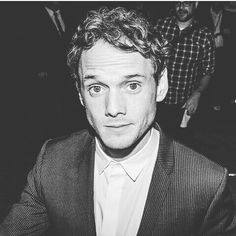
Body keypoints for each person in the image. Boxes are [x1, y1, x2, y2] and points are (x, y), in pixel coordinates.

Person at [1, 6, 236, 236]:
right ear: (80, 94)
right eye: (96, 87)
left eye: (132, 85)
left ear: (161, 85)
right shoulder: (52, 162)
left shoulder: (206, 185)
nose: (113, 109)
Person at [154, 1, 215, 139]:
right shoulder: (160, 26)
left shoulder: (204, 35)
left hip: (181, 102)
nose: (181, 7)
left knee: (175, 143)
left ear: (196, 4)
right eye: (178, 3)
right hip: (155, 98)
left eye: (186, 3)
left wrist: (197, 93)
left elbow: (208, 71)